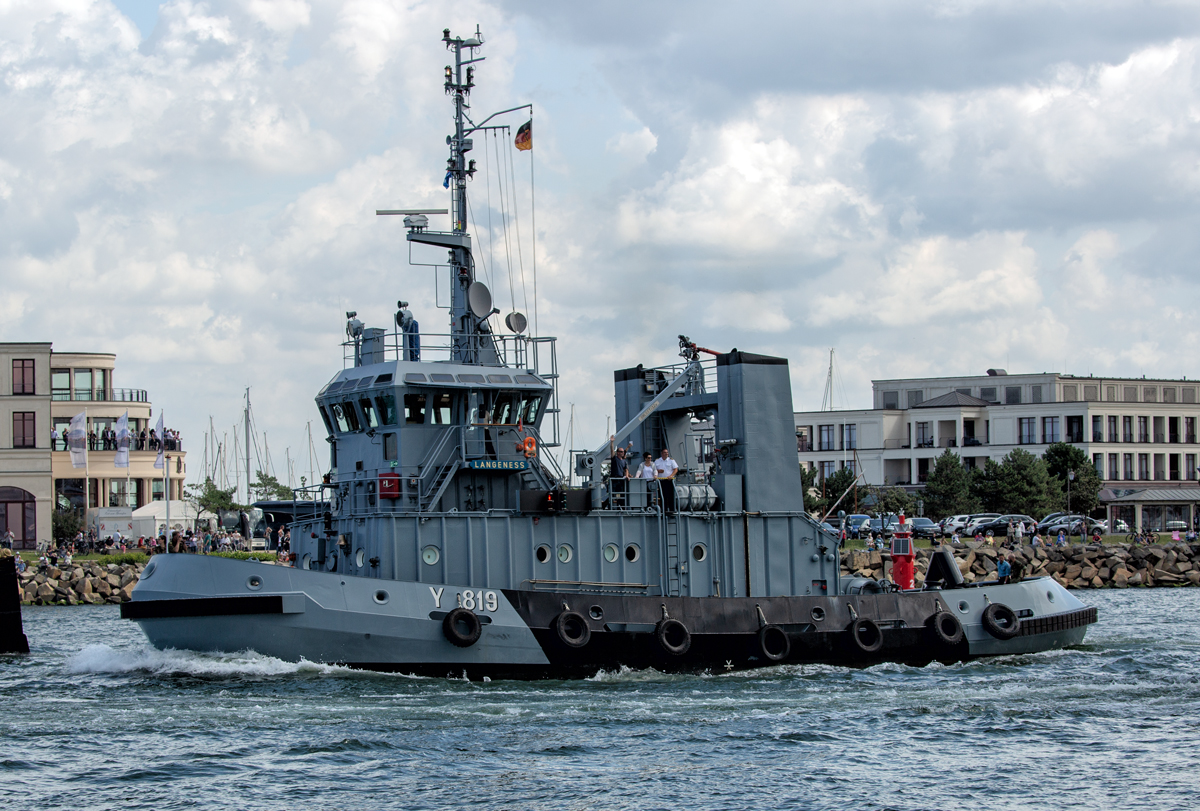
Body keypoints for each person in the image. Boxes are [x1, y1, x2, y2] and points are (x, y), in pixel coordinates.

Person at [608, 436, 632, 508]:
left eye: (623, 451)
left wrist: (627, 476)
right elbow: (612, 450)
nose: (623, 452)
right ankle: (609, 506)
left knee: (622, 494)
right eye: (621, 451)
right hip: (614, 479)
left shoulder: (624, 461)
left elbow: (626, 469)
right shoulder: (614, 458)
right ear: (618, 453)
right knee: (612, 494)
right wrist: (612, 442)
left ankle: (621, 507)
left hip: (621, 479)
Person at [654, 448, 679, 512]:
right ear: (662, 453)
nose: (666, 454)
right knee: (662, 496)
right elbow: (653, 470)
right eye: (665, 452)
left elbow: (675, 469)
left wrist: (671, 475)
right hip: (661, 481)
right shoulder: (657, 461)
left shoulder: (671, 461)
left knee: (671, 496)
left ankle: (672, 510)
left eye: (667, 452)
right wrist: (658, 471)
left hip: (669, 481)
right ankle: (663, 510)